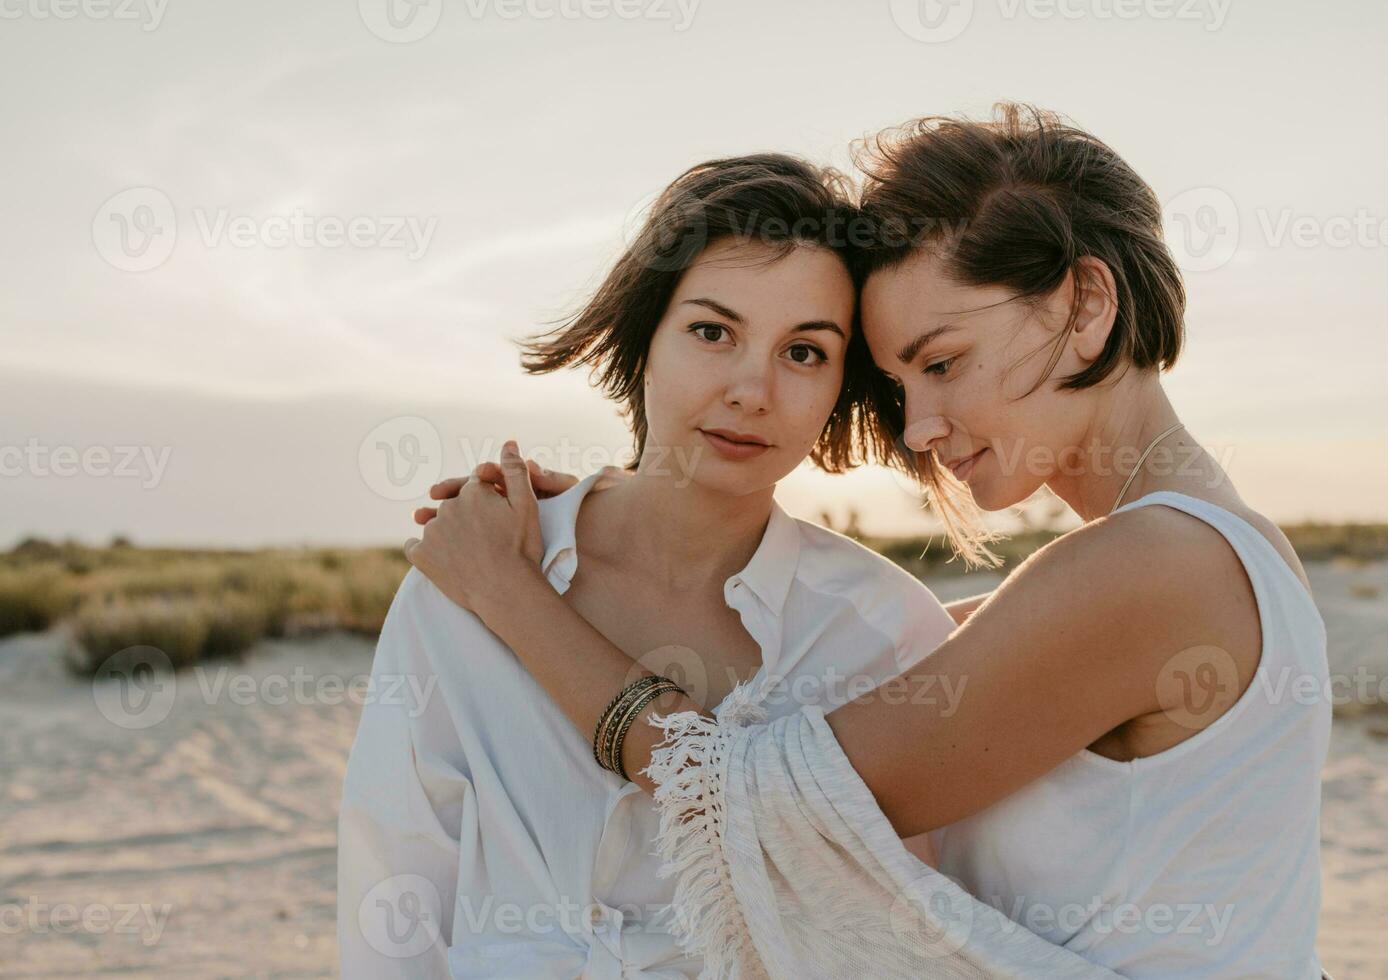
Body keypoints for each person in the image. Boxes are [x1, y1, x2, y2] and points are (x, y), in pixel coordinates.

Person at [407, 104, 1331, 977]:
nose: (919, 427)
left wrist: (506, 589)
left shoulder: (1155, 568)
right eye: (896, 384)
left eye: (942, 363)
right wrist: (635, 524)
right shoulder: (1215, 550)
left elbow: (759, 805)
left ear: (1084, 303)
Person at [338, 153, 989, 978]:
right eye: (712, 332)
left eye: (805, 353)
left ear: (840, 390)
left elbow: (906, 937)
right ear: (642, 339)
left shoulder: (882, 631)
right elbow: (395, 886)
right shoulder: (473, 568)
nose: (752, 390)